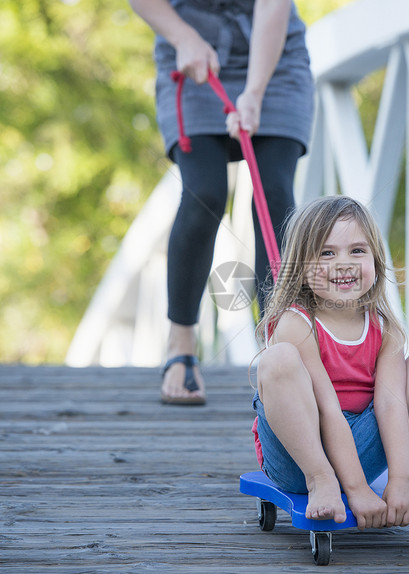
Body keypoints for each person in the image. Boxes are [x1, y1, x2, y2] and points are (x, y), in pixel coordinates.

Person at [251, 196, 409, 528]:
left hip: (360, 447)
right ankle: (323, 480)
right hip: (299, 458)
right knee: (277, 360)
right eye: (327, 253)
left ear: (376, 260)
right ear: (300, 267)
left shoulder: (385, 329)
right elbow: (328, 408)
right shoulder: (296, 324)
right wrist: (356, 489)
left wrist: (399, 481)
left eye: (357, 251)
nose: (343, 263)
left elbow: (390, 404)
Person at [128, 0, 314, 405]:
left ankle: (281, 353)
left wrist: (255, 91)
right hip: (190, 52)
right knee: (205, 192)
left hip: (274, 55)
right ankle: (181, 345)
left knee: (275, 192)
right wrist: (184, 37)